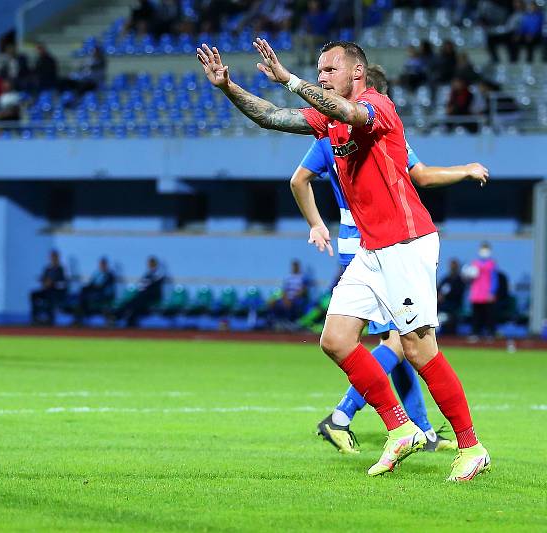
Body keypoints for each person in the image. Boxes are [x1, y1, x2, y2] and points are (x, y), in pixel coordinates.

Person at [197, 38, 489, 480]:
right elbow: (272, 117)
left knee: (417, 348)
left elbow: (350, 114)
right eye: (317, 70)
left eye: (329, 69)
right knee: (334, 339)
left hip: (406, 242)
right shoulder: (326, 122)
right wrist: (228, 87)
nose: (321, 76)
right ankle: (400, 428)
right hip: (373, 249)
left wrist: (290, 80)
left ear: (356, 73)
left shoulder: (378, 106)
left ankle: (471, 446)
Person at [291, 64, 487, 454]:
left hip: (376, 242)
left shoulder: (378, 124)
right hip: (371, 244)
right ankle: (345, 415)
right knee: (402, 344)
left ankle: (420, 429)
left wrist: (316, 223)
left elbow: (299, 178)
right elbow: (423, 175)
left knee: (400, 343)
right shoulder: (335, 126)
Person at [115, 256, 165, 327]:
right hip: (143, 297)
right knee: (133, 305)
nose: (151, 265)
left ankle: (117, 316)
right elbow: (141, 285)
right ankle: (126, 321)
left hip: (152, 297)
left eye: (152, 263)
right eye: (150, 263)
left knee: (134, 303)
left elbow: (153, 288)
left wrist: (144, 289)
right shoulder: (147, 274)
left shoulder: (158, 274)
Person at [466, 242, 498, 340]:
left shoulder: (492, 264)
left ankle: (490, 333)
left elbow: (494, 279)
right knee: (476, 315)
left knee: (488, 315)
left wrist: (492, 292)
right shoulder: (474, 263)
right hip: (476, 294)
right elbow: (470, 278)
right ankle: (475, 333)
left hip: (487, 294)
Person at [74, 256, 116, 325]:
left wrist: (94, 288)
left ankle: (82, 317)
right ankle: (80, 318)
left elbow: (102, 287)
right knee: (81, 295)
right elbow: (91, 284)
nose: (102, 266)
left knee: (86, 299)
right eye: (101, 264)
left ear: (106, 265)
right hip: (95, 294)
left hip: (104, 296)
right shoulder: (97, 274)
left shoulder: (110, 275)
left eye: (103, 264)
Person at [30, 249, 68, 325]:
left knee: (51, 297)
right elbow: (44, 279)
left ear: (58, 257)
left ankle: (50, 319)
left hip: (56, 291)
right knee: (33, 294)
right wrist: (44, 281)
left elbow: (62, 281)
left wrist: (52, 283)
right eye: (51, 257)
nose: (53, 258)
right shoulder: (47, 268)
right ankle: (35, 318)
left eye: (54, 256)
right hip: (47, 290)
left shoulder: (61, 268)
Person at [438, 259, 467, 336]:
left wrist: (446, 296)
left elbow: (458, 295)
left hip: (453, 307)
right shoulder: (446, 279)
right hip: (441, 307)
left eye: (454, 266)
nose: (452, 267)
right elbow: (439, 291)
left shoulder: (460, 280)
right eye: (451, 265)